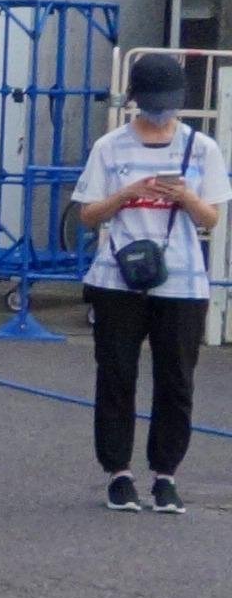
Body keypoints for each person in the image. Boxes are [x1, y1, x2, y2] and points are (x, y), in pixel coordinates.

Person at [72, 52, 223, 513]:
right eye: (153, 102)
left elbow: (211, 219)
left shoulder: (202, 148)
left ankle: (165, 475)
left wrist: (186, 197)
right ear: (135, 99)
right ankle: (118, 473)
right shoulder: (109, 147)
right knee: (116, 374)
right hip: (117, 278)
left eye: (167, 102)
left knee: (176, 380)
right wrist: (125, 194)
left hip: (182, 282)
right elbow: (88, 215)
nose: (161, 111)